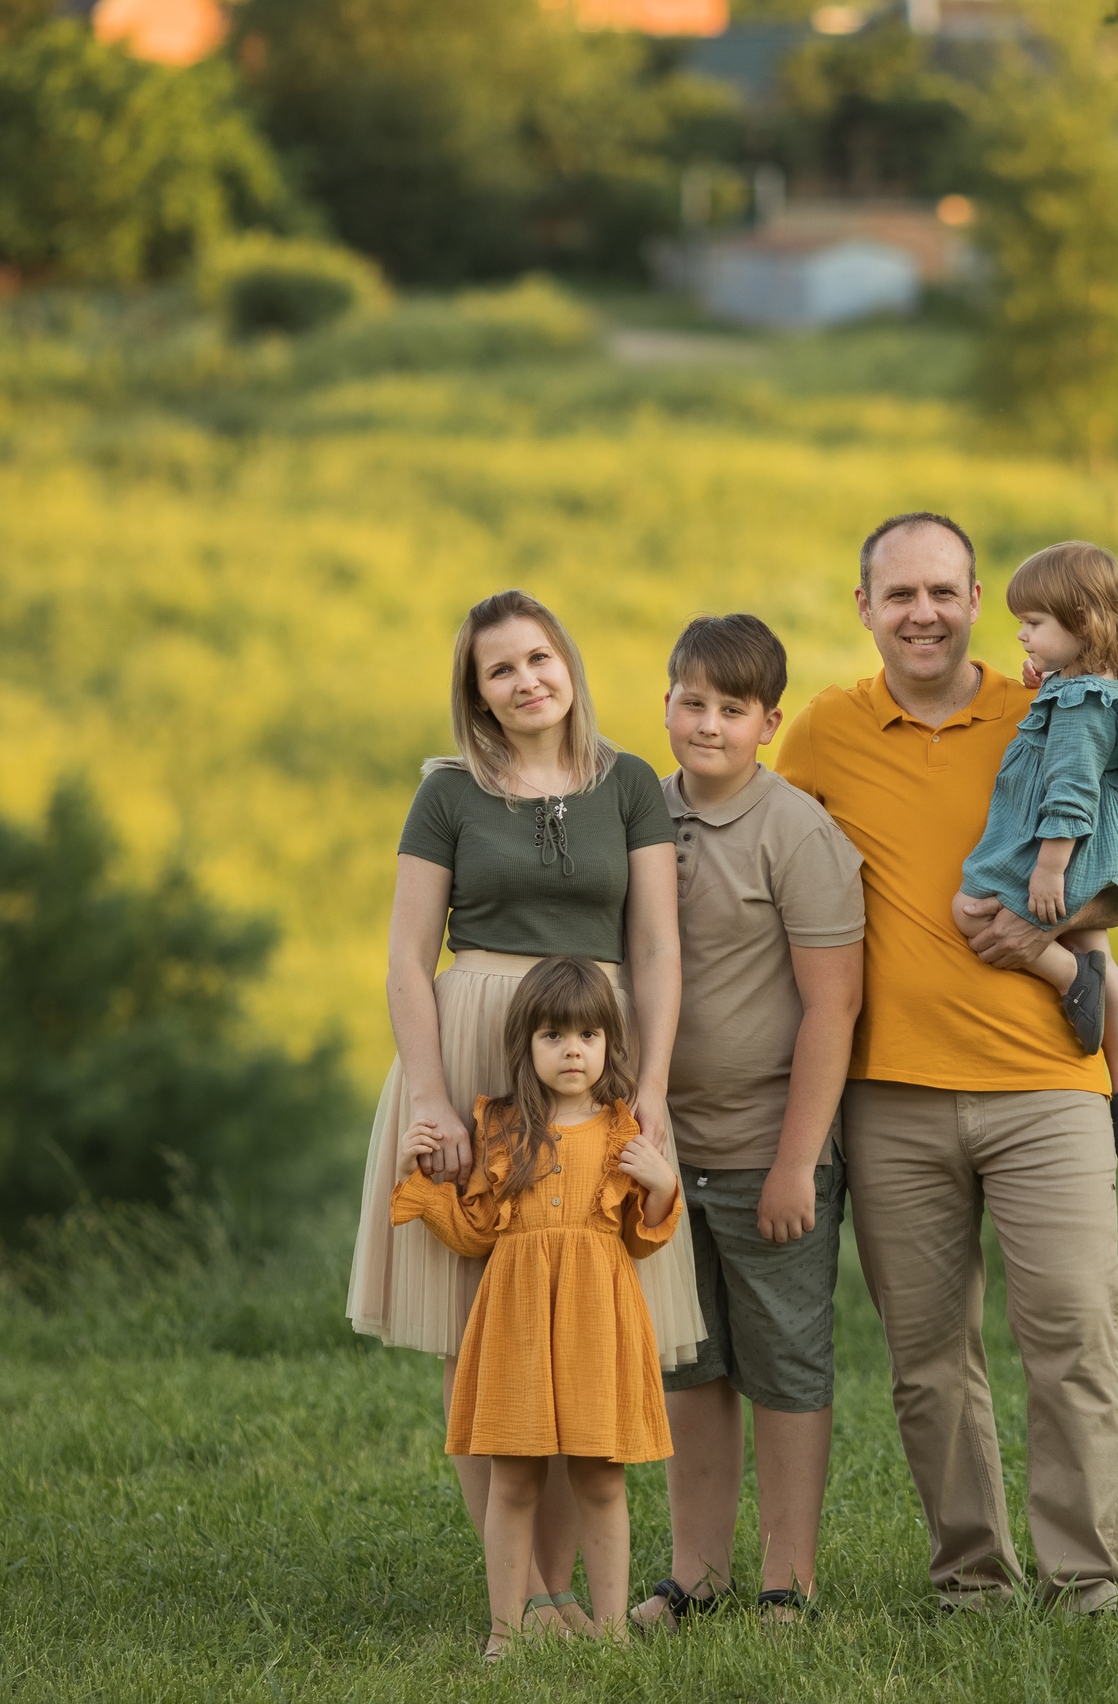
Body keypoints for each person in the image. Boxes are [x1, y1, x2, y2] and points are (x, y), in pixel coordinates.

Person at [774, 511, 1118, 1616]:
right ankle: (971, 1577)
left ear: (977, 599)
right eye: (899, 595)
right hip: (890, 1095)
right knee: (928, 1358)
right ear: (865, 607)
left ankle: (1087, 1581)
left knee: (1073, 1328)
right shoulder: (825, 734)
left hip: (1045, 1085)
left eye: (943, 591)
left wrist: (1045, 949)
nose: (922, 613)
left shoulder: (1048, 703)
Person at [342, 588, 702, 1637]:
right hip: (474, 1038)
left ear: (569, 664)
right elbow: (408, 957)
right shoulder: (446, 793)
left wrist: (656, 1095)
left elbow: (658, 949)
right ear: (478, 694)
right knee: (482, 1329)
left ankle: (569, 1581)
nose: (525, 679)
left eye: (538, 657)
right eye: (499, 669)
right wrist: (431, 1096)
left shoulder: (629, 782)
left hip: (597, 1040)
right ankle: (533, 1596)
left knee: (587, 1320)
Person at [628, 615, 865, 1630]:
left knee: (784, 1367)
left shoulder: (797, 832)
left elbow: (832, 1006)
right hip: (663, 1155)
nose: (708, 723)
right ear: (667, 701)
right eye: (692, 700)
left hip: (770, 1151)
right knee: (690, 1364)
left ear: (770, 721)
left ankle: (788, 1580)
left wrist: (794, 1164)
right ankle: (698, 1570)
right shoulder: (638, 815)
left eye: (733, 709)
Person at [392, 957, 683, 1655]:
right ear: (526, 1045)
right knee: (513, 1477)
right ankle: (506, 1634)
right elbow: (474, 1232)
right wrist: (420, 1177)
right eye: (553, 1035)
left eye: (588, 1035)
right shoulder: (499, 1126)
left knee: (601, 1478)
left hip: (597, 1325)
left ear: (610, 1044)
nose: (573, 1049)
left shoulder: (623, 1133)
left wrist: (665, 1185)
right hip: (517, 1323)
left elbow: (643, 1240)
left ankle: (612, 1635)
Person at [951, 541, 1118, 1153]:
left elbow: (1071, 790)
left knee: (969, 910)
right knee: (1094, 942)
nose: (1020, 635)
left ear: (1081, 624)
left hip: (1068, 843)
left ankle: (1071, 980)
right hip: (1099, 837)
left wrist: (1049, 869)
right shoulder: (1093, 683)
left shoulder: (1078, 709)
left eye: (1033, 624)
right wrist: (1047, 676)